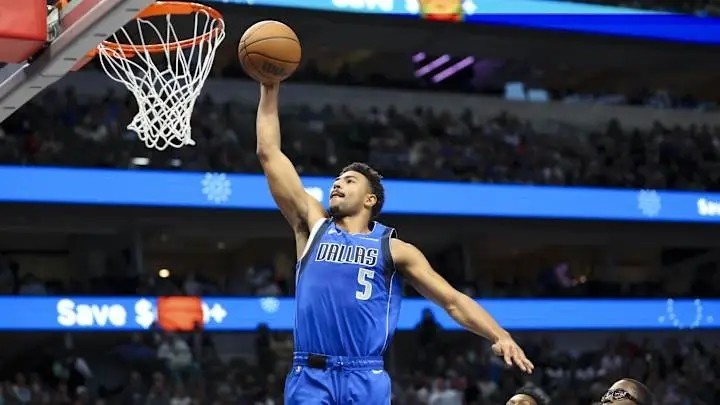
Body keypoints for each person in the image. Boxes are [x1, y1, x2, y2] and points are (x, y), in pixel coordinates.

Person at [255, 82, 534, 405]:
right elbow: (269, 154)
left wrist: (499, 334)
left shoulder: (394, 248)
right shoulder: (313, 225)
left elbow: (453, 301)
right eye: (337, 180)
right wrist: (270, 88)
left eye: (349, 181)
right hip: (311, 375)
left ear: (370, 199)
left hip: (365, 376)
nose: (337, 184)